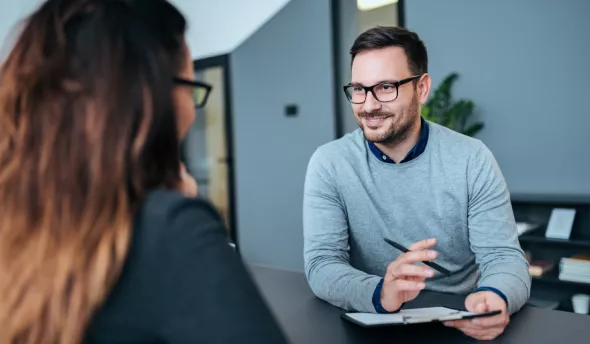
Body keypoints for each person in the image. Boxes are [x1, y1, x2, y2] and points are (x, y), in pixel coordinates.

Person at [0, 1, 287, 343]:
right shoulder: (169, 231)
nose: (192, 113)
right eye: (190, 86)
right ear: (151, 99)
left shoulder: (18, 225)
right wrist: (176, 216)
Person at [303, 26, 531, 341]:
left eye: (385, 87)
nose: (368, 105)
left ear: (422, 88)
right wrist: (381, 291)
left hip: (459, 320)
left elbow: (503, 257)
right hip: (372, 320)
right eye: (358, 89)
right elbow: (322, 264)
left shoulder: (471, 158)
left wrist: (495, 295)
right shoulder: (329, 163)